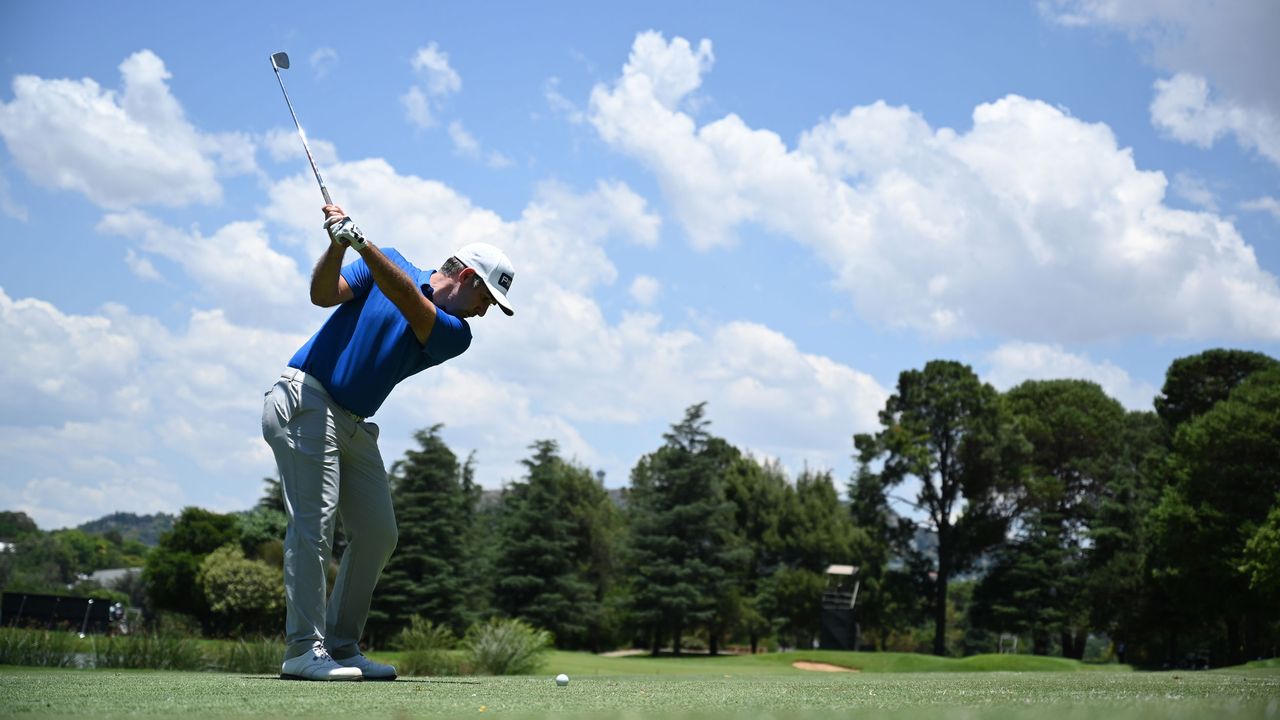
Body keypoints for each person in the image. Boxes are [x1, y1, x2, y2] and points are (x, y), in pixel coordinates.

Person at [262, 203, 515, 681]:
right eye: (487, 300)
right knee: (315, 524)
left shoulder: (456, 334)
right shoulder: (390, 258)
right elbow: (322, 295)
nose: (485, 312)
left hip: (352, 422)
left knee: (379, 533)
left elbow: (410, 302)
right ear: (466, 278)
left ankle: (340, 646)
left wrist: (363, 244)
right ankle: (303, 651)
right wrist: (338, 245)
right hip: (306, 399)